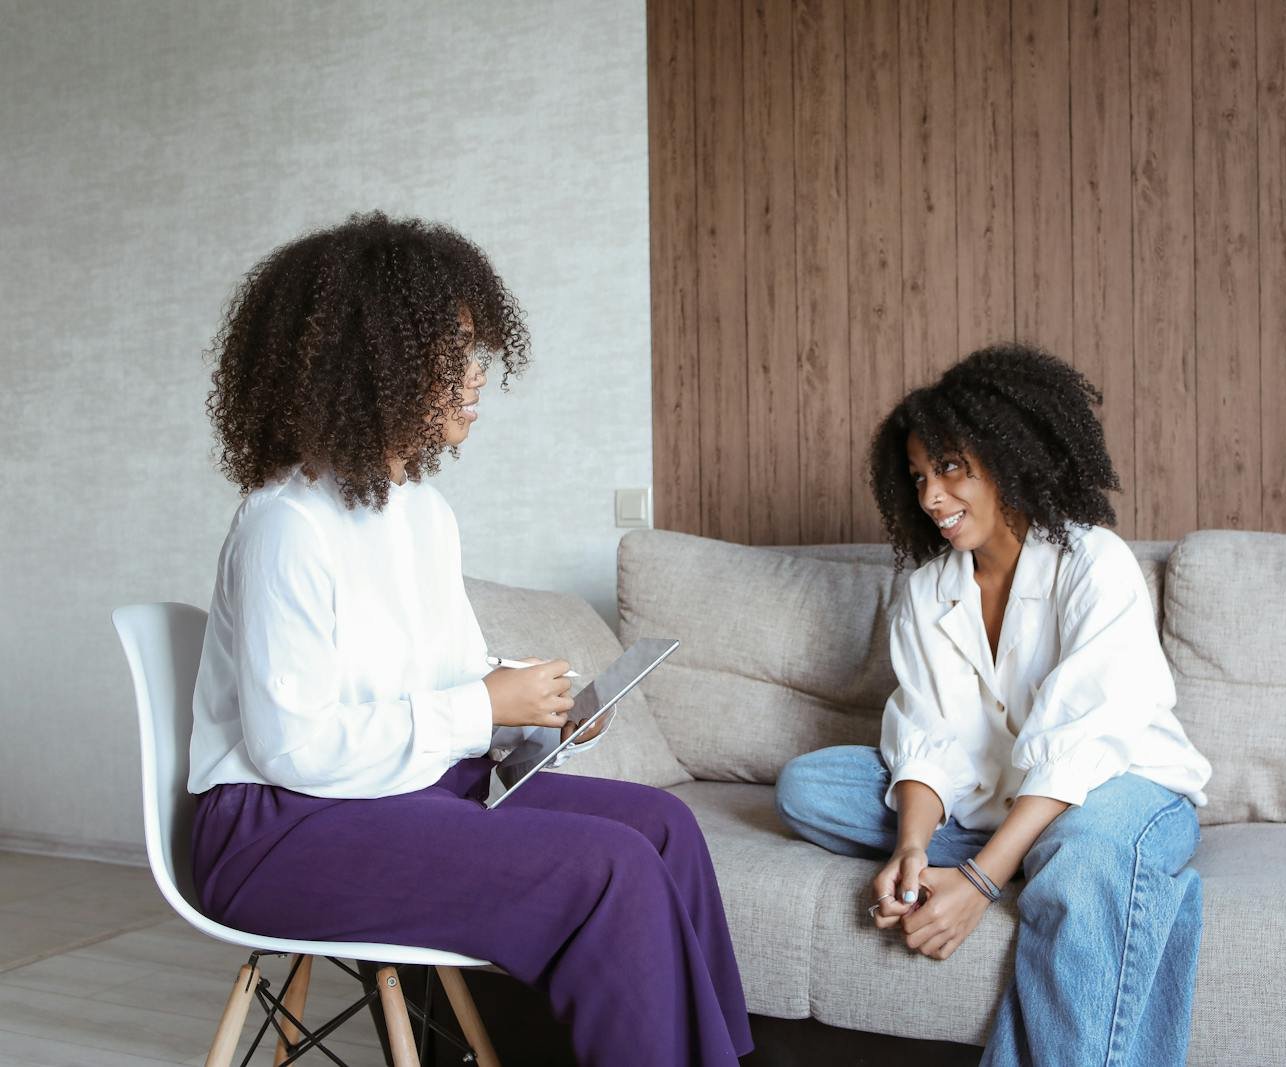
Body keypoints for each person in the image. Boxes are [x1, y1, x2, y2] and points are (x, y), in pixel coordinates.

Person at [189, 212, 752, 1066]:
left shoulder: (422, 509)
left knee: (665, 826)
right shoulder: (284, 527)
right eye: (454, 355)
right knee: (609, 869)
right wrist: (481, 705)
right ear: (374, 362)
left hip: (399, 788)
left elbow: (446, 676)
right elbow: (292, 746)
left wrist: (529, 705)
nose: (478, 377)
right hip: (280, 828)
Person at [773, 343, 1212, 1066]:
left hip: (1122, 786)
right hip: (996, 798)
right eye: (917, 477)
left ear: (1009, 455)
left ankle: (1076, 864)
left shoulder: (1092, 561)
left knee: (1085, 858)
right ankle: (1058, 862)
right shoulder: (926, 591)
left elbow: (1081, 746)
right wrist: (913, 850)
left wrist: (978, 882)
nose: (931, 499)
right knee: (809, 786)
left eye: (950, 469)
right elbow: (926, 734)